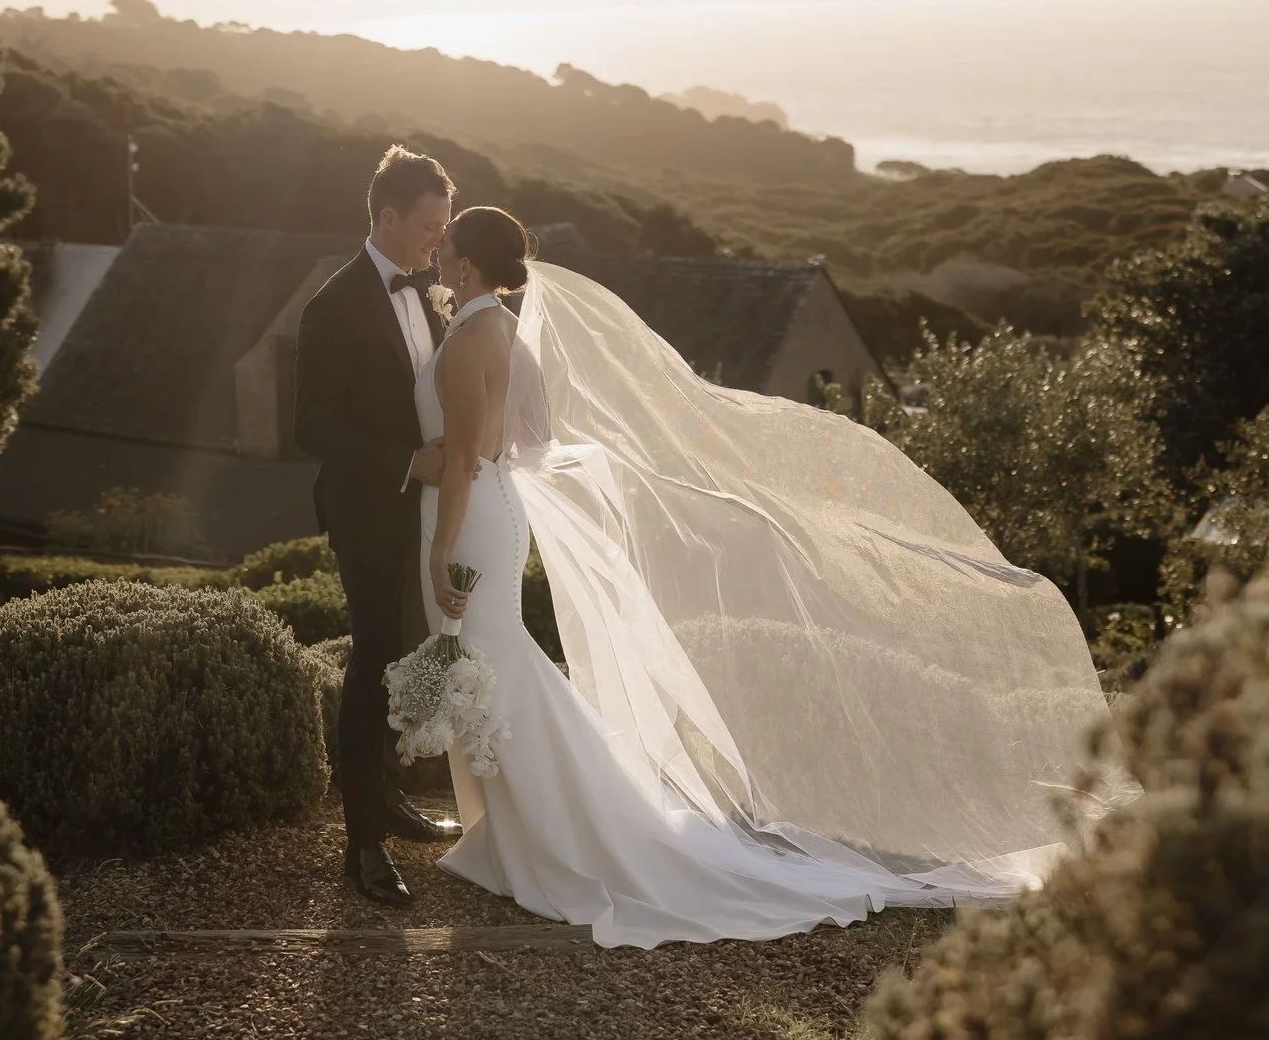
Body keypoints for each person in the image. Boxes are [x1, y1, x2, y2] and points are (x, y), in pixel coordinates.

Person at [414, 205, 1128, 947]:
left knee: (498, 665)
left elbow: (469, 459)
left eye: (448, 251)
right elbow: (534, 444)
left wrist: (425, 497)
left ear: (466, 265)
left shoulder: (471, 340)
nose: (438, 260)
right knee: (487, 663)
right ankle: (518, 834)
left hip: (467, 519)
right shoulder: (510, 336)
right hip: (497, 512)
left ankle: (571, 837)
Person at [292, 146, 466, 907]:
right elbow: (312, 429)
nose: (439, 239)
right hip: (369, 512)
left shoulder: (434, 293)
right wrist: (409, 462)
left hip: (430, 513)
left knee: (421, 652)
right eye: (430, 225)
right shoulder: (332, 305)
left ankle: (391, 791)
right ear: (388, 217)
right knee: (372, 666)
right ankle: (361, 842)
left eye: (446, 225)